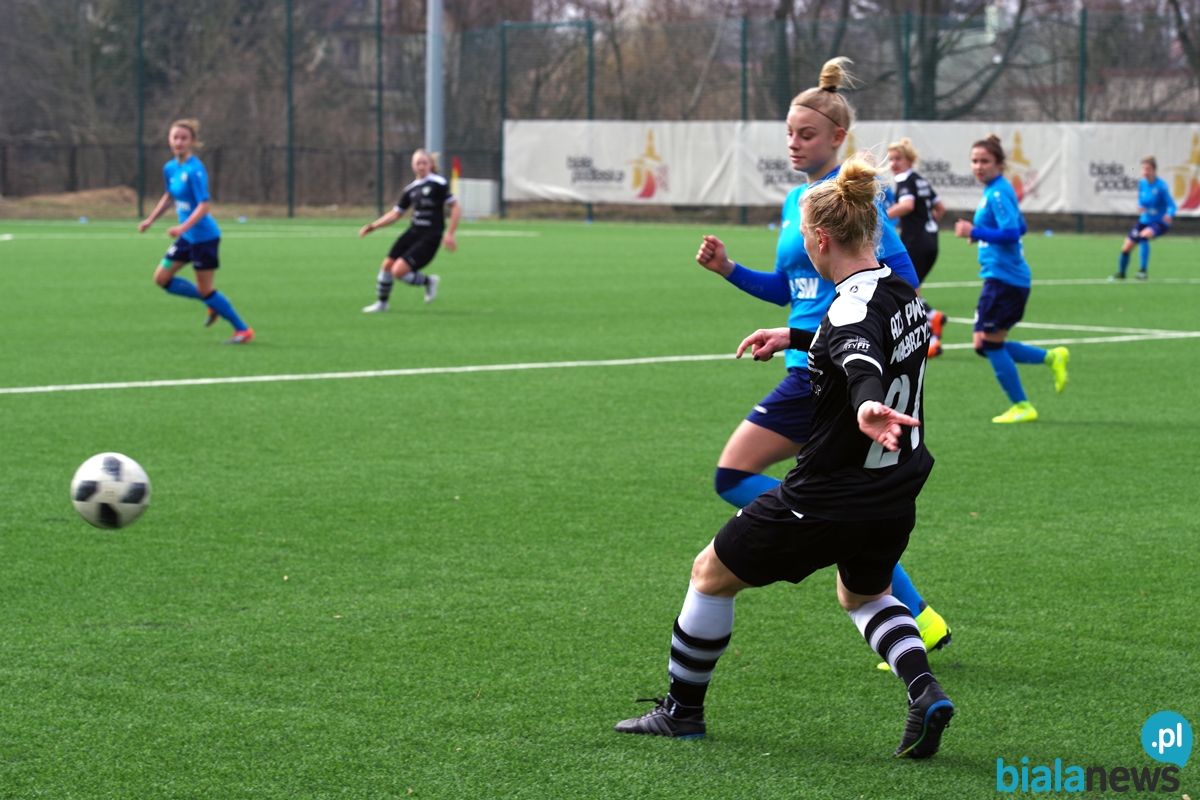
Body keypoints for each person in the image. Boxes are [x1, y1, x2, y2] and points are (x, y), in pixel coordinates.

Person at [616, 156, 955, 759]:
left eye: (803, 238)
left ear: (821, 239)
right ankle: (923, 690)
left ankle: (681, 712)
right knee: (864, 595)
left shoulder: (847, 311)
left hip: (826, 496)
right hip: (894, 491)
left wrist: (867, 404)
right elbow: (861, 336)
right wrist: (795, 337)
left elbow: (860, 356)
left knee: (708, 575)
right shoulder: (900, 291)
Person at [694, 58, 949, 657]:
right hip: (805, 359)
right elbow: (790, 289)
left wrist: (850, 343)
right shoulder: (797, 200)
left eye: (806, 134)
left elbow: (899, 284)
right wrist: (729, 270)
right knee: (785, 489)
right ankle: (913, 613)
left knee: (735, 476)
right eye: (788, 132)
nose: (794, 142)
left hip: (833, 373)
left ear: (838, 137)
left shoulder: (847, 201)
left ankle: (909, 607)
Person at [953, 135, 1069, 424]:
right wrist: (982, 235)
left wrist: (974, 231)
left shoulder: (997, 193)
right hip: (1001, 279)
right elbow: (1022, 225)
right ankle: (1051, 358)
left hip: (1005, 280)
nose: (978, 166)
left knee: (990, 344)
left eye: (985, 161)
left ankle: (1022, 406)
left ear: (999, 163)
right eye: (974, 161)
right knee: (982, 344)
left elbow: (1013, 233)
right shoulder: (997, 189)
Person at [138, 119, 253, 344]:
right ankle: (211, 304)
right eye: (175, 137)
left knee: (206, 289)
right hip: (187, 238)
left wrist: (182, 227)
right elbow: (170, 196)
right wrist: (150, 220)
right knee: (161, 278)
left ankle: (243, 330)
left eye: (184, 138)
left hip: (204, 239)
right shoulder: (170, 168)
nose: (179, 142)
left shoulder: (195, 170)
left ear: (192, 141)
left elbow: (204, 205)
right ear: (169, 140)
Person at [360, 149, 460, 311]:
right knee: (387, 265)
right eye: (418, 163)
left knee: (398, 271)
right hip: (414, 232)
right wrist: (373, 226)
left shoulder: (438, 183)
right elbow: (396, 214)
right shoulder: (410, 189)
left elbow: (455, 207)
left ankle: (429, 282)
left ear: (430, 165)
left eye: (424, 163)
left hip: (431, 235)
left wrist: (450, 233)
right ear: (413, 166)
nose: (421, 166)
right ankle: (382, 304)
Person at [887, 138, 947, 357]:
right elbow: (940, 208)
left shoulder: (905, 181)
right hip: (931, 242)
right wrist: (928, 229)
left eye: (898, 159)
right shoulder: (921, 180)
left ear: (909, 160)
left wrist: (880, 215)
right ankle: (932, 318)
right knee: (908, 290)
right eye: (891, 159)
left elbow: (907, 205)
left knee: (907, 293)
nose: (893, 163)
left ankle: (931, 333)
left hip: (915, 243)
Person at [1111, 156, 1175, 281]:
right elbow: (1141, 200)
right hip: (1145, 220)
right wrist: (1141, 205)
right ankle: (1122, 274)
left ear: (1154, 170)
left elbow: (1172, 205)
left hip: (1160, 222)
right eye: (1143, 169)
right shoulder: (1142, 183)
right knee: (1126, 247)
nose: (1145, 171)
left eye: (1148, 169)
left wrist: (1169, 214)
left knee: (1144, 235)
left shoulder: (1161, 186)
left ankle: (1143, 271)